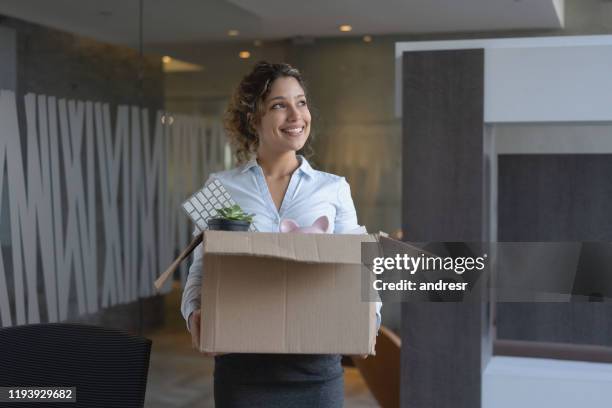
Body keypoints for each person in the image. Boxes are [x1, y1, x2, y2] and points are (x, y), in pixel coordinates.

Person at [181, 61, 381, 408]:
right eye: (279, 105)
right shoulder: (219, 188)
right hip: (242, 371)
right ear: (252, 118)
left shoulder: (334, 189)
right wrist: (194, 314)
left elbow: (362, 263)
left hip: (316, 372)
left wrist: (371, 319)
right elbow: (201, 269)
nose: (296, 115)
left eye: (301, 102)